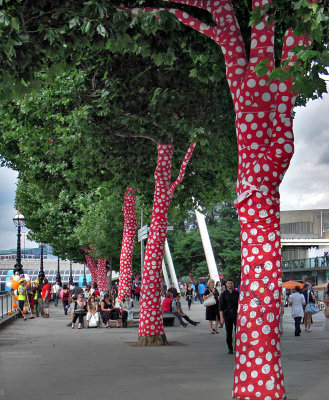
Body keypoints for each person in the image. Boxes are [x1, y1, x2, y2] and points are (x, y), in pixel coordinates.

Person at [219, 279, 239, 354]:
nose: (230, 284)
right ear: (226, 284)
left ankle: (237, 347)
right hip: (227, 314)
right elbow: (221, 307)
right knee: (229, 332)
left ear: (233, 284)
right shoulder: (223, 294)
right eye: (228, 283)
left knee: (238, 331)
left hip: (236, 314)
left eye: (231, 283)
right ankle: (230, 348)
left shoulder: (237, 294)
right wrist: (221, 318)